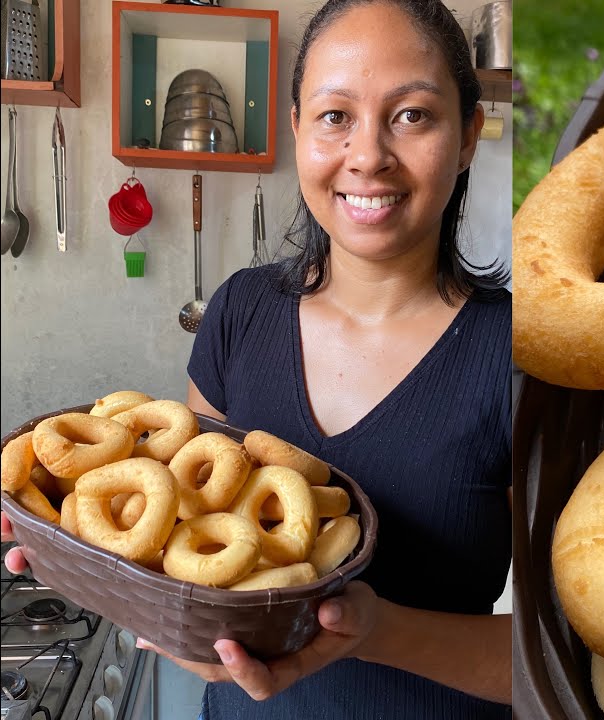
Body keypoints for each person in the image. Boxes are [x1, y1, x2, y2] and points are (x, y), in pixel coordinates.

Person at [3, 0, 512, 717]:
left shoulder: (524, 355)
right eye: (336, 116)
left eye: (412, 115)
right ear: (298, 128)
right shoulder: (241, 310)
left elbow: (563, 654)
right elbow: (179, 519)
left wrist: (372, 631)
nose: (367, 155)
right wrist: (80, 555)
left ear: (466, 137)